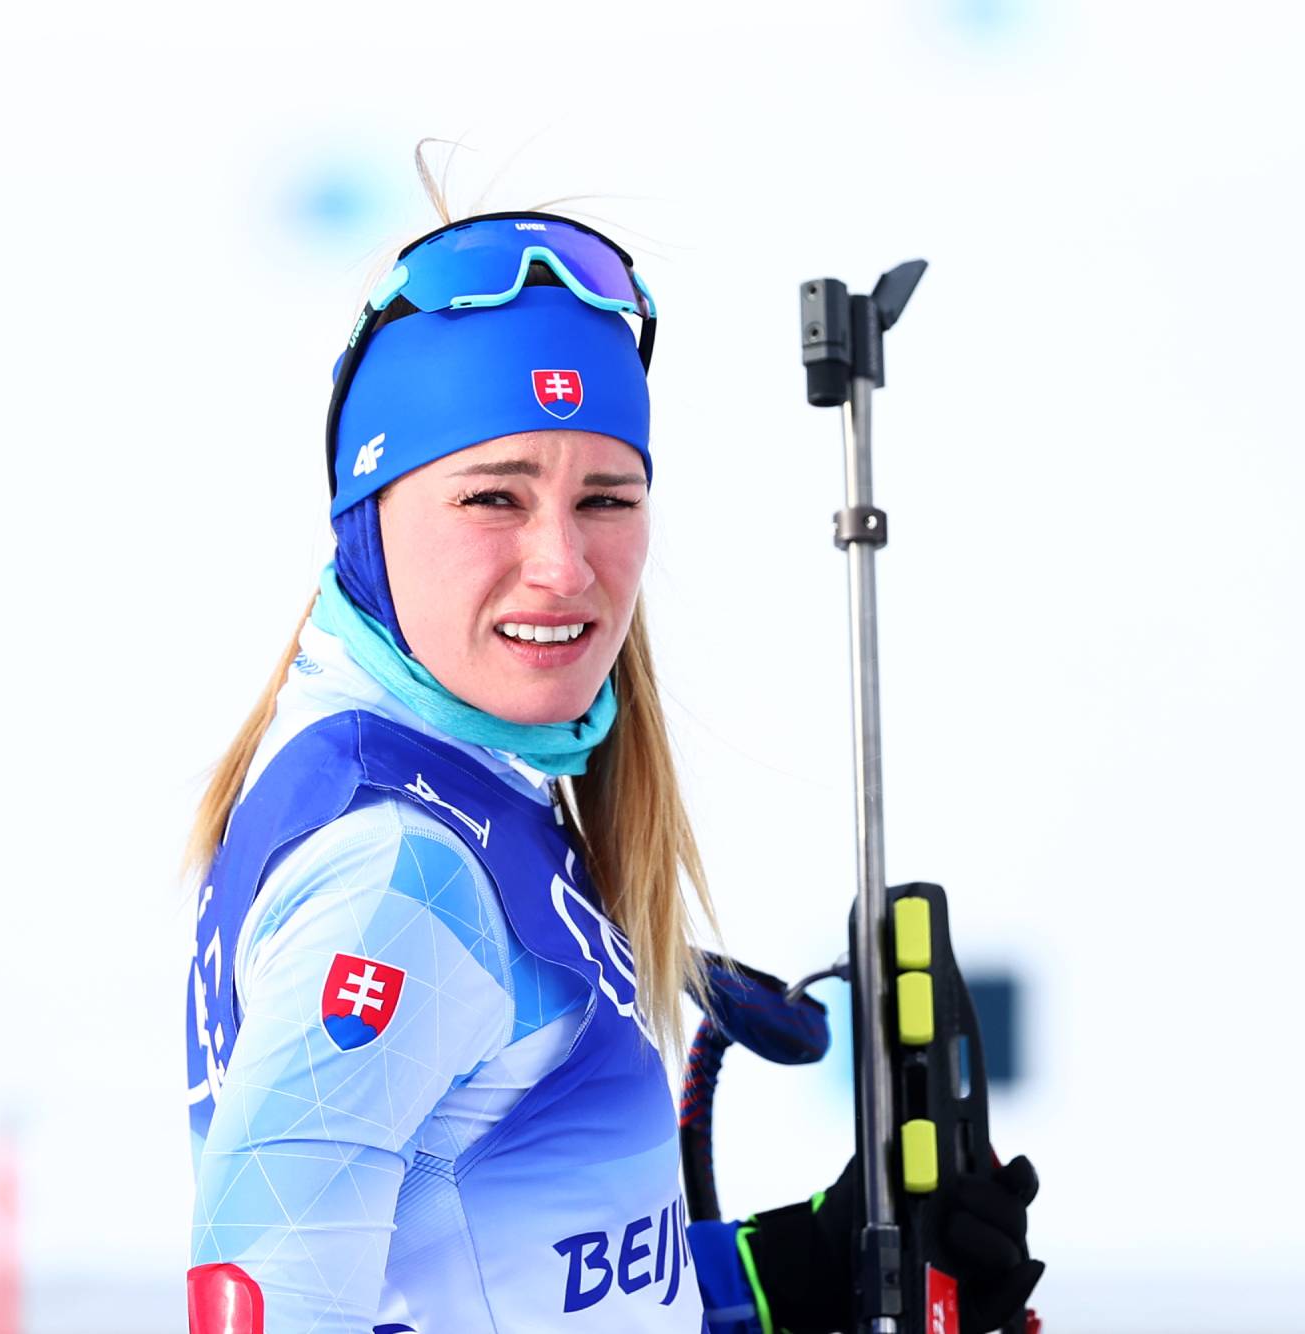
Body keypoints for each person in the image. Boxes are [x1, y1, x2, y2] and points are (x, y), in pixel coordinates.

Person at [181, 172, 1042, 1334]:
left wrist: (812, 1259)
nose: (563, 563)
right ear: (368, 516)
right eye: (493, 495)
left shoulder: (473, 805)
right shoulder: (397, 870)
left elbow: (524, 1280)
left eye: (605, 497)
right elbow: (265, 1300)